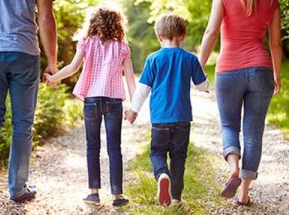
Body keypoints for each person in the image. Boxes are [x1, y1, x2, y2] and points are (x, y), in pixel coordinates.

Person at [44, 6, 136, 207]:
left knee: (92, 146)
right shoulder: (122, 47)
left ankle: (93, 194)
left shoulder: (86, 43)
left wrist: (53, 78)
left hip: (92, 100)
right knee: (114, 148)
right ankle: (117, 196)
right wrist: (133, 106)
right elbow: (130, 79)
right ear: (118, 25)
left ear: (93, 23)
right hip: (114, 101)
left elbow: (72, 67)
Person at [199, 0, 282, 206]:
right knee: (253, 134)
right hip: (261, 70)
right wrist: (277, 74)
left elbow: (211, 32)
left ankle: (233, 168)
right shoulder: (273, 2)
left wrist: (198, 67)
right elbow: (275, 43)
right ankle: (244, 193)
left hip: (228, 70)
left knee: (229, 125)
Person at [125, 14, 209, 207]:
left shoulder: (153, 59)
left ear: (159, 36)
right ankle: (176, 198)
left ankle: (162, 174)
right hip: (182, 119)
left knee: (157, 153)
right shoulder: (190, 59)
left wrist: (133, 110)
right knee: (179, 157)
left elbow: (143, 89)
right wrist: (207, 85)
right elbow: (201, 85)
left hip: (160, 119)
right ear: (183, 35)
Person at [0, 0, 57, 203]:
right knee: (22, 124)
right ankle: (18, 189)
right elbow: (46, 17)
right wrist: (52, 62)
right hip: (24, 52)